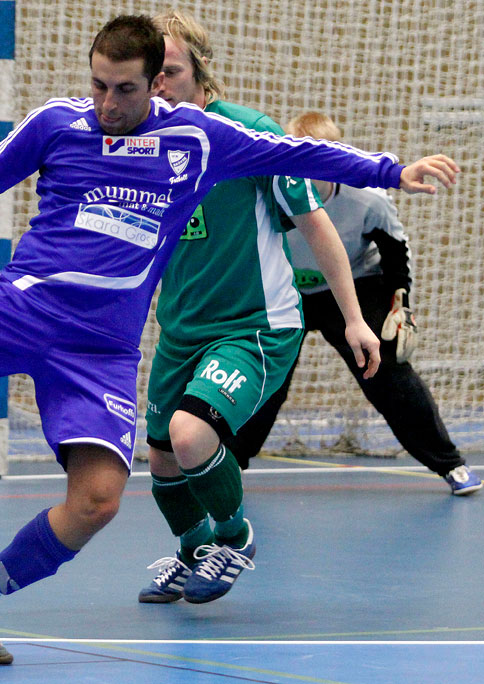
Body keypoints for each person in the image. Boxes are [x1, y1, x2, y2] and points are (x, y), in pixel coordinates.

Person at [0, 15, 459, 664]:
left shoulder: (199, 139)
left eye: (123, 90)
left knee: (98, 500)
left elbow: (298, 153)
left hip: (99, 350)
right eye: (97, 85)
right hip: (20, 305)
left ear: (156, 83)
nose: (106, 104)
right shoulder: (56, 124)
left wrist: (392, 172)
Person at [139, 9, 378, 606]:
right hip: (181, 331)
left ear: (199, 72)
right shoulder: (143, 146)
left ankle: (237, 538)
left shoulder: (246, 134)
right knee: (163, 458)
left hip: (254, 326)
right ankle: (195, 554)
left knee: (192, 435)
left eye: (171, 71)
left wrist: (353, 318)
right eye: (153, 74)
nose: (161, 85)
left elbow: (315, 223)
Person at [226, 111, 481, 497]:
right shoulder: (268, 192)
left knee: (386, 371)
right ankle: (227, 469)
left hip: (354, 286)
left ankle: (450, 465)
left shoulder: (366, 201)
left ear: (333, 161)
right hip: (285, 288)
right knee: (263, 377)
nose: (304, 170)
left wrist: (400, 303)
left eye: (315, 161)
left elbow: (395, 252)